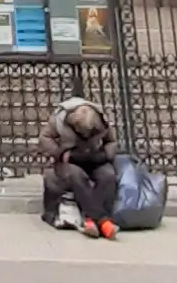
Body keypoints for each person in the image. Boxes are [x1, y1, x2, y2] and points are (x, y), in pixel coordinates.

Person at [38, 95, 119, 238]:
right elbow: (44, 138)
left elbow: (112, 142)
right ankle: (100, 221)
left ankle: (96, 219)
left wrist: (105, 155)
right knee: (76, 175)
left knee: (108, 175)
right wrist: (60, 153)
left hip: (93, 158)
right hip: (69, 160)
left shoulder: (101, 121)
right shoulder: (59, 119)